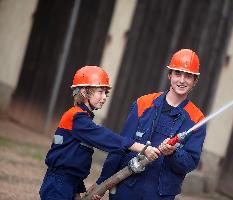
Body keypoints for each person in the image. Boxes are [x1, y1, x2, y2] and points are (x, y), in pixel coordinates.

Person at [96, 49, 206, 200]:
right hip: (127, 188)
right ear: (170, 75)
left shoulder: (197, 119)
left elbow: (190, 163)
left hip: (160, 195)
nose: (182, 80)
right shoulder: (143, 103)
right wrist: (102, 183)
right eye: (178, 74)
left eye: (188, 76)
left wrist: (174, 153)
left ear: (195, 81)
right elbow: (121, 146)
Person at [39, 66, 160, 200]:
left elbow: (73, 159)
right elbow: (105, 138)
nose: (104, 97)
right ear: (84, 92)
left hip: (69, 182)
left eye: (105, 93)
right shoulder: (76, 117)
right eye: (100, 92)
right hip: (58, 184)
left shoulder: (83, 118)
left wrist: (78, 191)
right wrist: (140, 148)